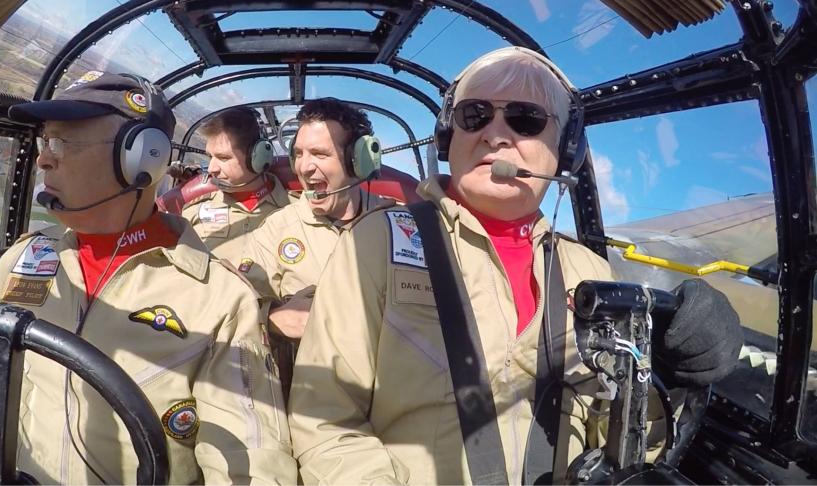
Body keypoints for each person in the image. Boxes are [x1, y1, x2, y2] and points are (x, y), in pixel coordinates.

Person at [287, 48, 743, 484]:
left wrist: (672, 374)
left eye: (525, 119)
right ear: (450, 137)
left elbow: (624, 443)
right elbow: (325, 417)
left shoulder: (592, 273)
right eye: (475, 115)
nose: (494, 133)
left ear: (566, 149)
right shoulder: (377, 241)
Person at [0, 72, 296, 485]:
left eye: (62, 144)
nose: (44, 159)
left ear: (141, 157)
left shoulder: (220, 301)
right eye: (44, 143)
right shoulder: (26, 257)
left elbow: (251, 467)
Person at [246, 98, 396, 398]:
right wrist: (273, 318)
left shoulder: (399, 225)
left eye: (319, 153)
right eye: (299, 153)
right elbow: (237, 315)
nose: (304, 166)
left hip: (392, 394)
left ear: (359, 160)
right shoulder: (275, 231)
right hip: (308, 396)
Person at [181, 106, 292, 283]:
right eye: (210, 157)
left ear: (258, 157)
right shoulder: (191, 212)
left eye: (223, 158)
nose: (211, 169)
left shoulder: (295, 212)